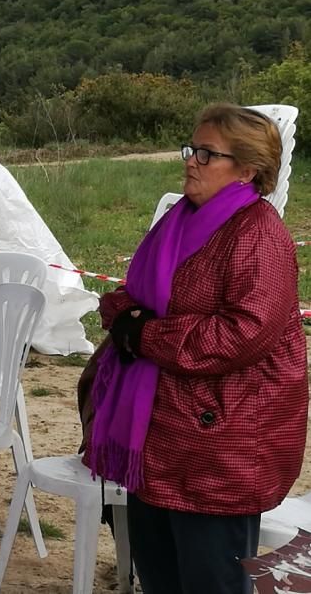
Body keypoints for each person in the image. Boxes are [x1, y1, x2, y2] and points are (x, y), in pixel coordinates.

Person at [84, 103, 308, 594]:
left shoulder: (259, 235)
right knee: (161, 575)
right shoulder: (180, 222)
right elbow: (130, 295)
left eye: (208, 154)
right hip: (159, 434)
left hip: (221, 445)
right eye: (193, 149)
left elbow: (241, 335)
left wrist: (143, 334)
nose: (191, 161)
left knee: (212, 582)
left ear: (248, 170)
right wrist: (125, 318)